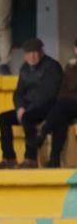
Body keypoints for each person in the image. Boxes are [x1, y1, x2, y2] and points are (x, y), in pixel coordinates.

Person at [0, 39, 63, 169]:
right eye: (29, 53)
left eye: (35, 52)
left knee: (27, 117)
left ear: (42, 52)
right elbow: (18, 93)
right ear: (25, 55)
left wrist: (28, 109)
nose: (32, 56)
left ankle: (31, 158)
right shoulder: (24, 68)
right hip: (27, 108)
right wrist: (19, 107)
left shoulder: (52, 66)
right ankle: (9, 158)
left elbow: (50, 94)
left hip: (47, 108)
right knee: (3, 118)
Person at [33, 38, 77, 167]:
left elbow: (73, 85)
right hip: (68, 104)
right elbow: (64, 88)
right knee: (60, 118)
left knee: (61, 106)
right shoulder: (70, 66)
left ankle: (43, 132)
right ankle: (54, 159)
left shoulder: (72, 66)